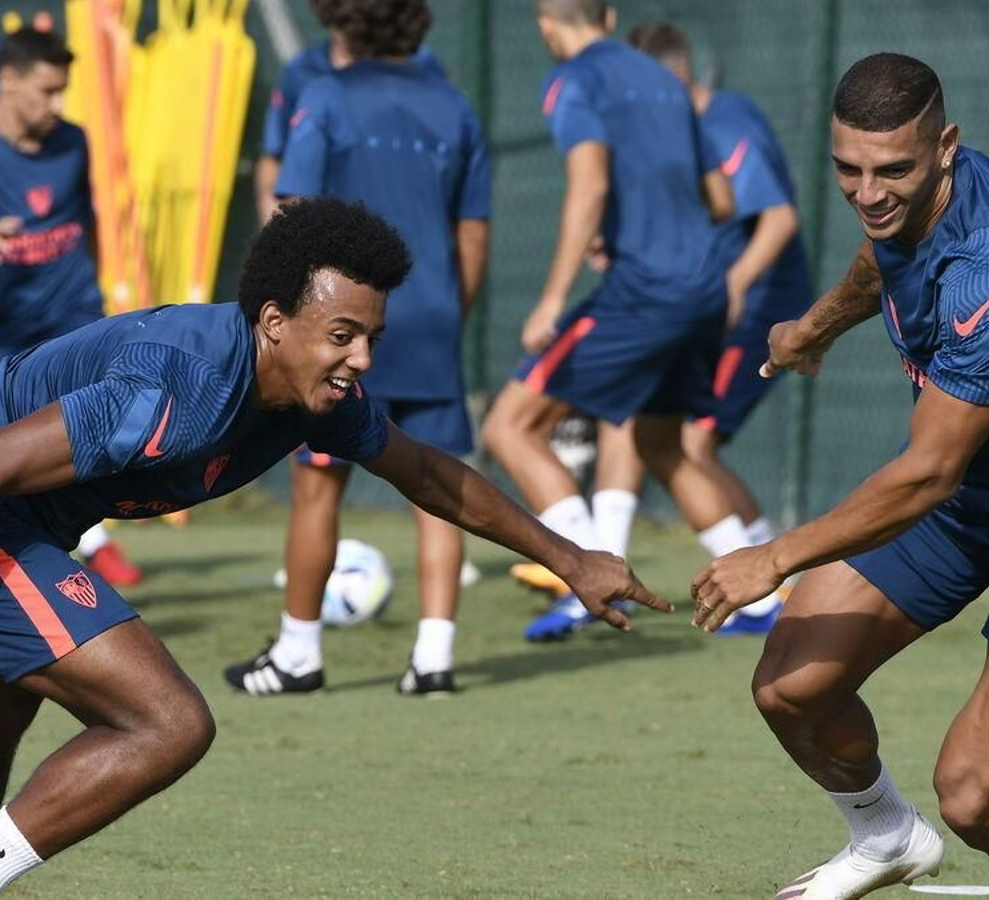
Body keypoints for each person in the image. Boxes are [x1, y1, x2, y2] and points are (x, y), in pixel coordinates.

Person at [0, 198, 668, 899]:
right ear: (275, 322)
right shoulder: (178, 387)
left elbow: (428, 474)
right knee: (168, 722)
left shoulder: (317, 398)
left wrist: (572, 555)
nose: (359, 360)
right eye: (341, 335)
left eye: (370, 339)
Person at [689, 53, 989, 898]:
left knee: (976, 795)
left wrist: (773, 558)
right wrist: (812, 330)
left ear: (946, 146)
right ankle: (884, 840)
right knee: (791, 688)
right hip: (974, 490)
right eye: (848, 168)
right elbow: (883, 262)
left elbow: (928, 474)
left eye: (894, 170)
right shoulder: (910, 208)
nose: (868, 192)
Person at [225, 0, 489, 696]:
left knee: (316, 489)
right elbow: (473, 236)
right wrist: (444, 315)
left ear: (339, 23)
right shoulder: (455, 107)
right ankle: (434, 660)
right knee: (441, 488)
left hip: (340, 328)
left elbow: (293, 215)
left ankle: (298, 655)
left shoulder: (326, 95)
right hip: (429, 319)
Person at [480, 0, 741, 642]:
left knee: (511, 427)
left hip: (643, 291)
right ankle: (762, 597)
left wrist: (552, 297)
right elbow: (722, 198)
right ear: (609, 14)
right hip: (703, 288)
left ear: (546, 19)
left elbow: (589, 185)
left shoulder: (575, 79)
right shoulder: (662, 78)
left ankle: (590, 575)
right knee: (660, 443)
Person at [603, 20, 812, 635]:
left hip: (757, 311)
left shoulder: (725, 123)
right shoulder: (677, 131)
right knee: (676, 438)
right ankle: (775, 585)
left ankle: (766, 595)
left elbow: (776, 220)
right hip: (711, 307)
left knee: (686, 444)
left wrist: (733, 289)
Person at [0, 27, 143, 588]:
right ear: (7, 81)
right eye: (47, 91)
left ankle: (89, 540)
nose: (58, 105)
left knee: (84, 431)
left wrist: (100, 289)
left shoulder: (73, 142)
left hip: (68, 316)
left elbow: (82, 222)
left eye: (64, 90)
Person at [253, 0, 445, 223]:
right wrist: (275, 229)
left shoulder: (421, 65)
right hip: (331, 238)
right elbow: (274, 159)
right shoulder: (302, 73)